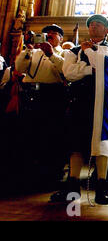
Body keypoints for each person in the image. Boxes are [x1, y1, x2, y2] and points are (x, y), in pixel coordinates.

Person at [50, 14, 108, 205]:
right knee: (75, 142)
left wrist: (88, 57)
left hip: (104, 101)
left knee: (102, 143)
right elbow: (69, 73)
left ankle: (102, 186)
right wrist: (88, 69)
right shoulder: (74, 50)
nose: (94, 27)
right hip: (81, 100)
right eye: (92, 25)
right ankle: (72, 185)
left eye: (99, 25)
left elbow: (105, 69)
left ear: (107, 30)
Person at [14, 25, 68, 188]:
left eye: (55, 33)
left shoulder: (64, 53)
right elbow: (19, 68)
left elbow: (66, 70)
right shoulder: (33, 52)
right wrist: (28, 50)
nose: (50, 35)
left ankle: (51, 173)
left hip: (52, 95)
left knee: (51, 135)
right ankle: (28, 171)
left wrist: (51, 53)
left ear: (61, 39)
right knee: (29, 133)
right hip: (31, 94)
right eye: (47, 33)